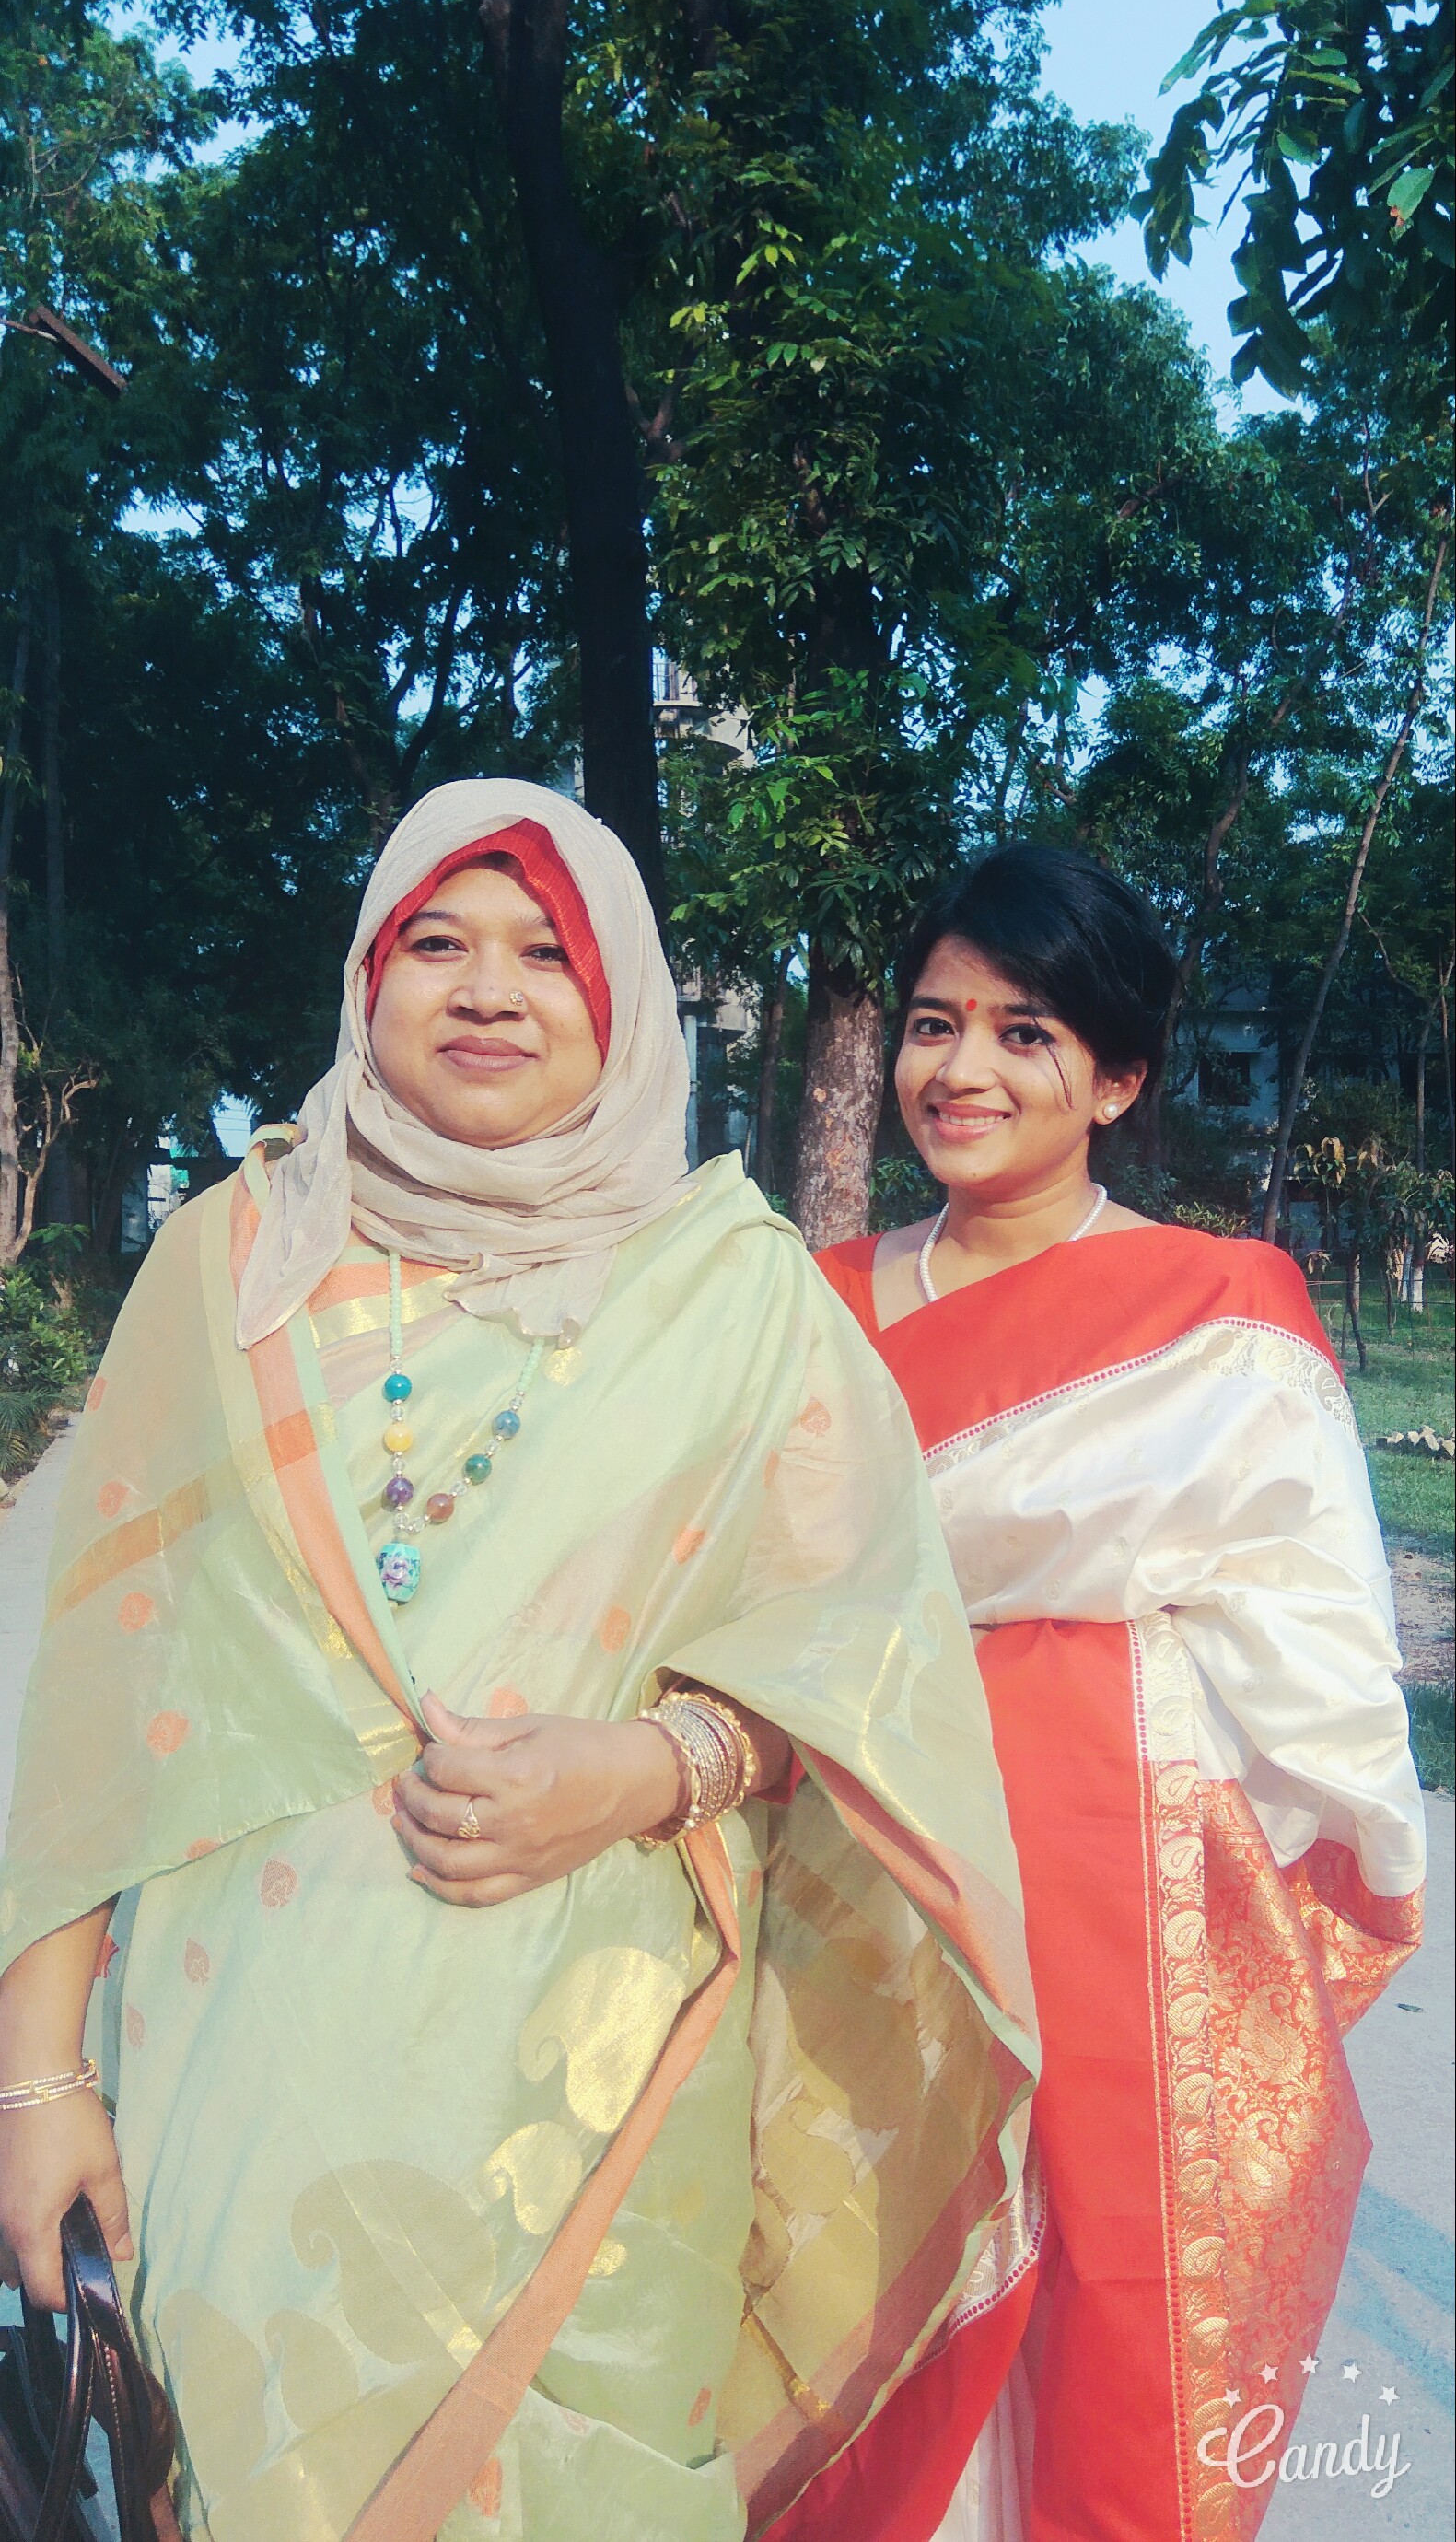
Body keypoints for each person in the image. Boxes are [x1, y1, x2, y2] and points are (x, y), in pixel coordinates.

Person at [0, 782, 1038, 2542]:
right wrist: (37, 2082)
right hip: (244, 2071)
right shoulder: (231, 1267)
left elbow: (864, 1668)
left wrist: (648, 1769)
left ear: (619, 999)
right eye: (437, 943)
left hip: (600, 2083)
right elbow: (92, 1706)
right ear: (367, 979)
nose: (488, 989)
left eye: (547, 953)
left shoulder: (737, 1296)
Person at [815, 842, 1426, 2542]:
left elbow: (1310, 1642)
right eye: (934, 1024)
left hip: (1116, 1913)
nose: (963, 1070)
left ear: (1116, 1079)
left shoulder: (1218, 1318)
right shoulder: (813, 1311)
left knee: (1105, 2329)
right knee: (850, 2314)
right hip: (847, 1894)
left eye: (1026, 1033)